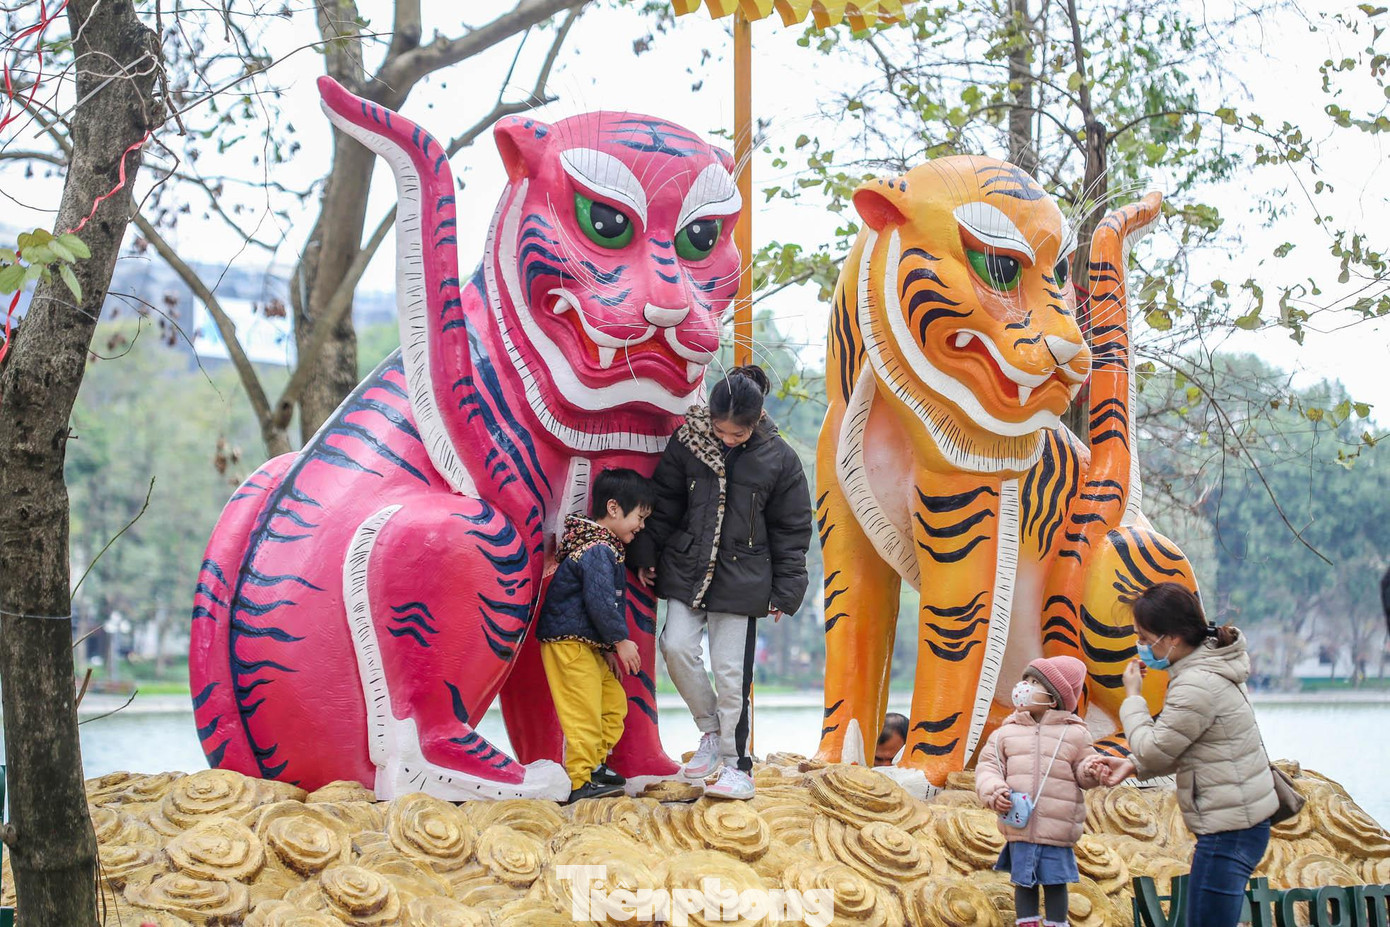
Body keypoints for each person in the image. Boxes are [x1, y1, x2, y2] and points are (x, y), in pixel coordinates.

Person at [628, 365, 812, 800]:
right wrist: (646, 553)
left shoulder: (778, 458)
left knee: (732, 675)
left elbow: (792, 528)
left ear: (758, 419)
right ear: (709, 416)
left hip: (744, 578)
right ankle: (710, 733)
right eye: (721, 430)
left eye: (737, 434)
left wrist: (787, 590)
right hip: (686, 568)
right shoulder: (687, 444)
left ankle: (737, 766)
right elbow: (666, 503)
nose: (727, 439)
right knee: (674, 648)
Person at [1103, 583, 1278, 927]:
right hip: (1238, 822)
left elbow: (1153, 748)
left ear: (1171, 638)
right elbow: (1187, 744)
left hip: (1229, 828)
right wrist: (1131, 765)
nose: (1140, 646)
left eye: (1143, 636)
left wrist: (1134, 697)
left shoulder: (1196, 683)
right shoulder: (1209, 666)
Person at [535, 468, 653, 803]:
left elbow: (592, 606)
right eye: (639, 517)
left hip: (587, 645)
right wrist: (620, 641)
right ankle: (577, 782)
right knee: (583, 713)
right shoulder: (598, 548)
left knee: (613, 704)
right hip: (569, 644)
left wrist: (604, 652)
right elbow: (600, 601)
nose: (641, 526)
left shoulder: (605, 546)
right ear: (614, 509)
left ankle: (594, 766)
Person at [975, 656, 1108, 927]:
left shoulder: (1075, 734)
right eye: (1026, 679)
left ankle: (1057, 923)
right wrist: (994, 790)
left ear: (1054, 696)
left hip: (1057, 828)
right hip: (1020, 826)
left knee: (1056, 882)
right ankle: (1027, 922)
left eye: (1035, 682)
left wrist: (1092, 770)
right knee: (1024, 882)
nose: (1025, 686)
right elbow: (988, 767)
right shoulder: (1005, 733)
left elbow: (1083, 770)